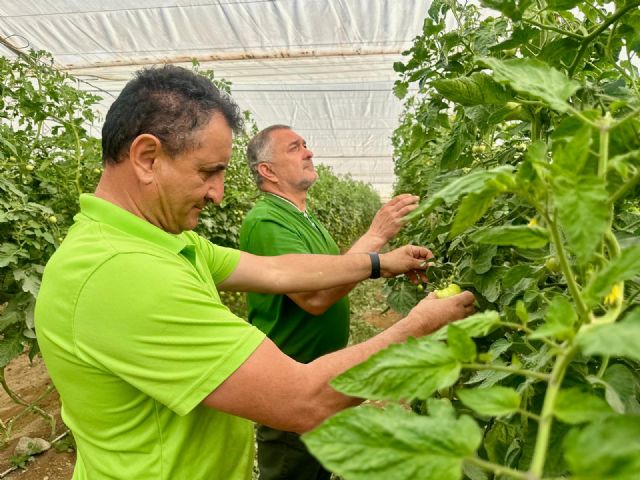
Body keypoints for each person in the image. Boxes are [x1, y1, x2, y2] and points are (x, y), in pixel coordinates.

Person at [34, 65, 476, 480]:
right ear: (147, 157)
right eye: (209, 172)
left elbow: (279, 271)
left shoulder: (161, 241)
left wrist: (380, 261)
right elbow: (305, 399)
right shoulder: (122, 273)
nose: (218, 195)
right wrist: (419, 328)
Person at [240, 124, 422, 479]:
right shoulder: (267, 220)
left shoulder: (304, 218)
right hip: (292, 386)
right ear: (267, 170)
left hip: (321, 381)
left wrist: (376, 242)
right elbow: (316, 296)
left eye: (306, 145)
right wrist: (378, 250)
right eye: (294, 148)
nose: (308, 152)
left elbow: (335, 273)